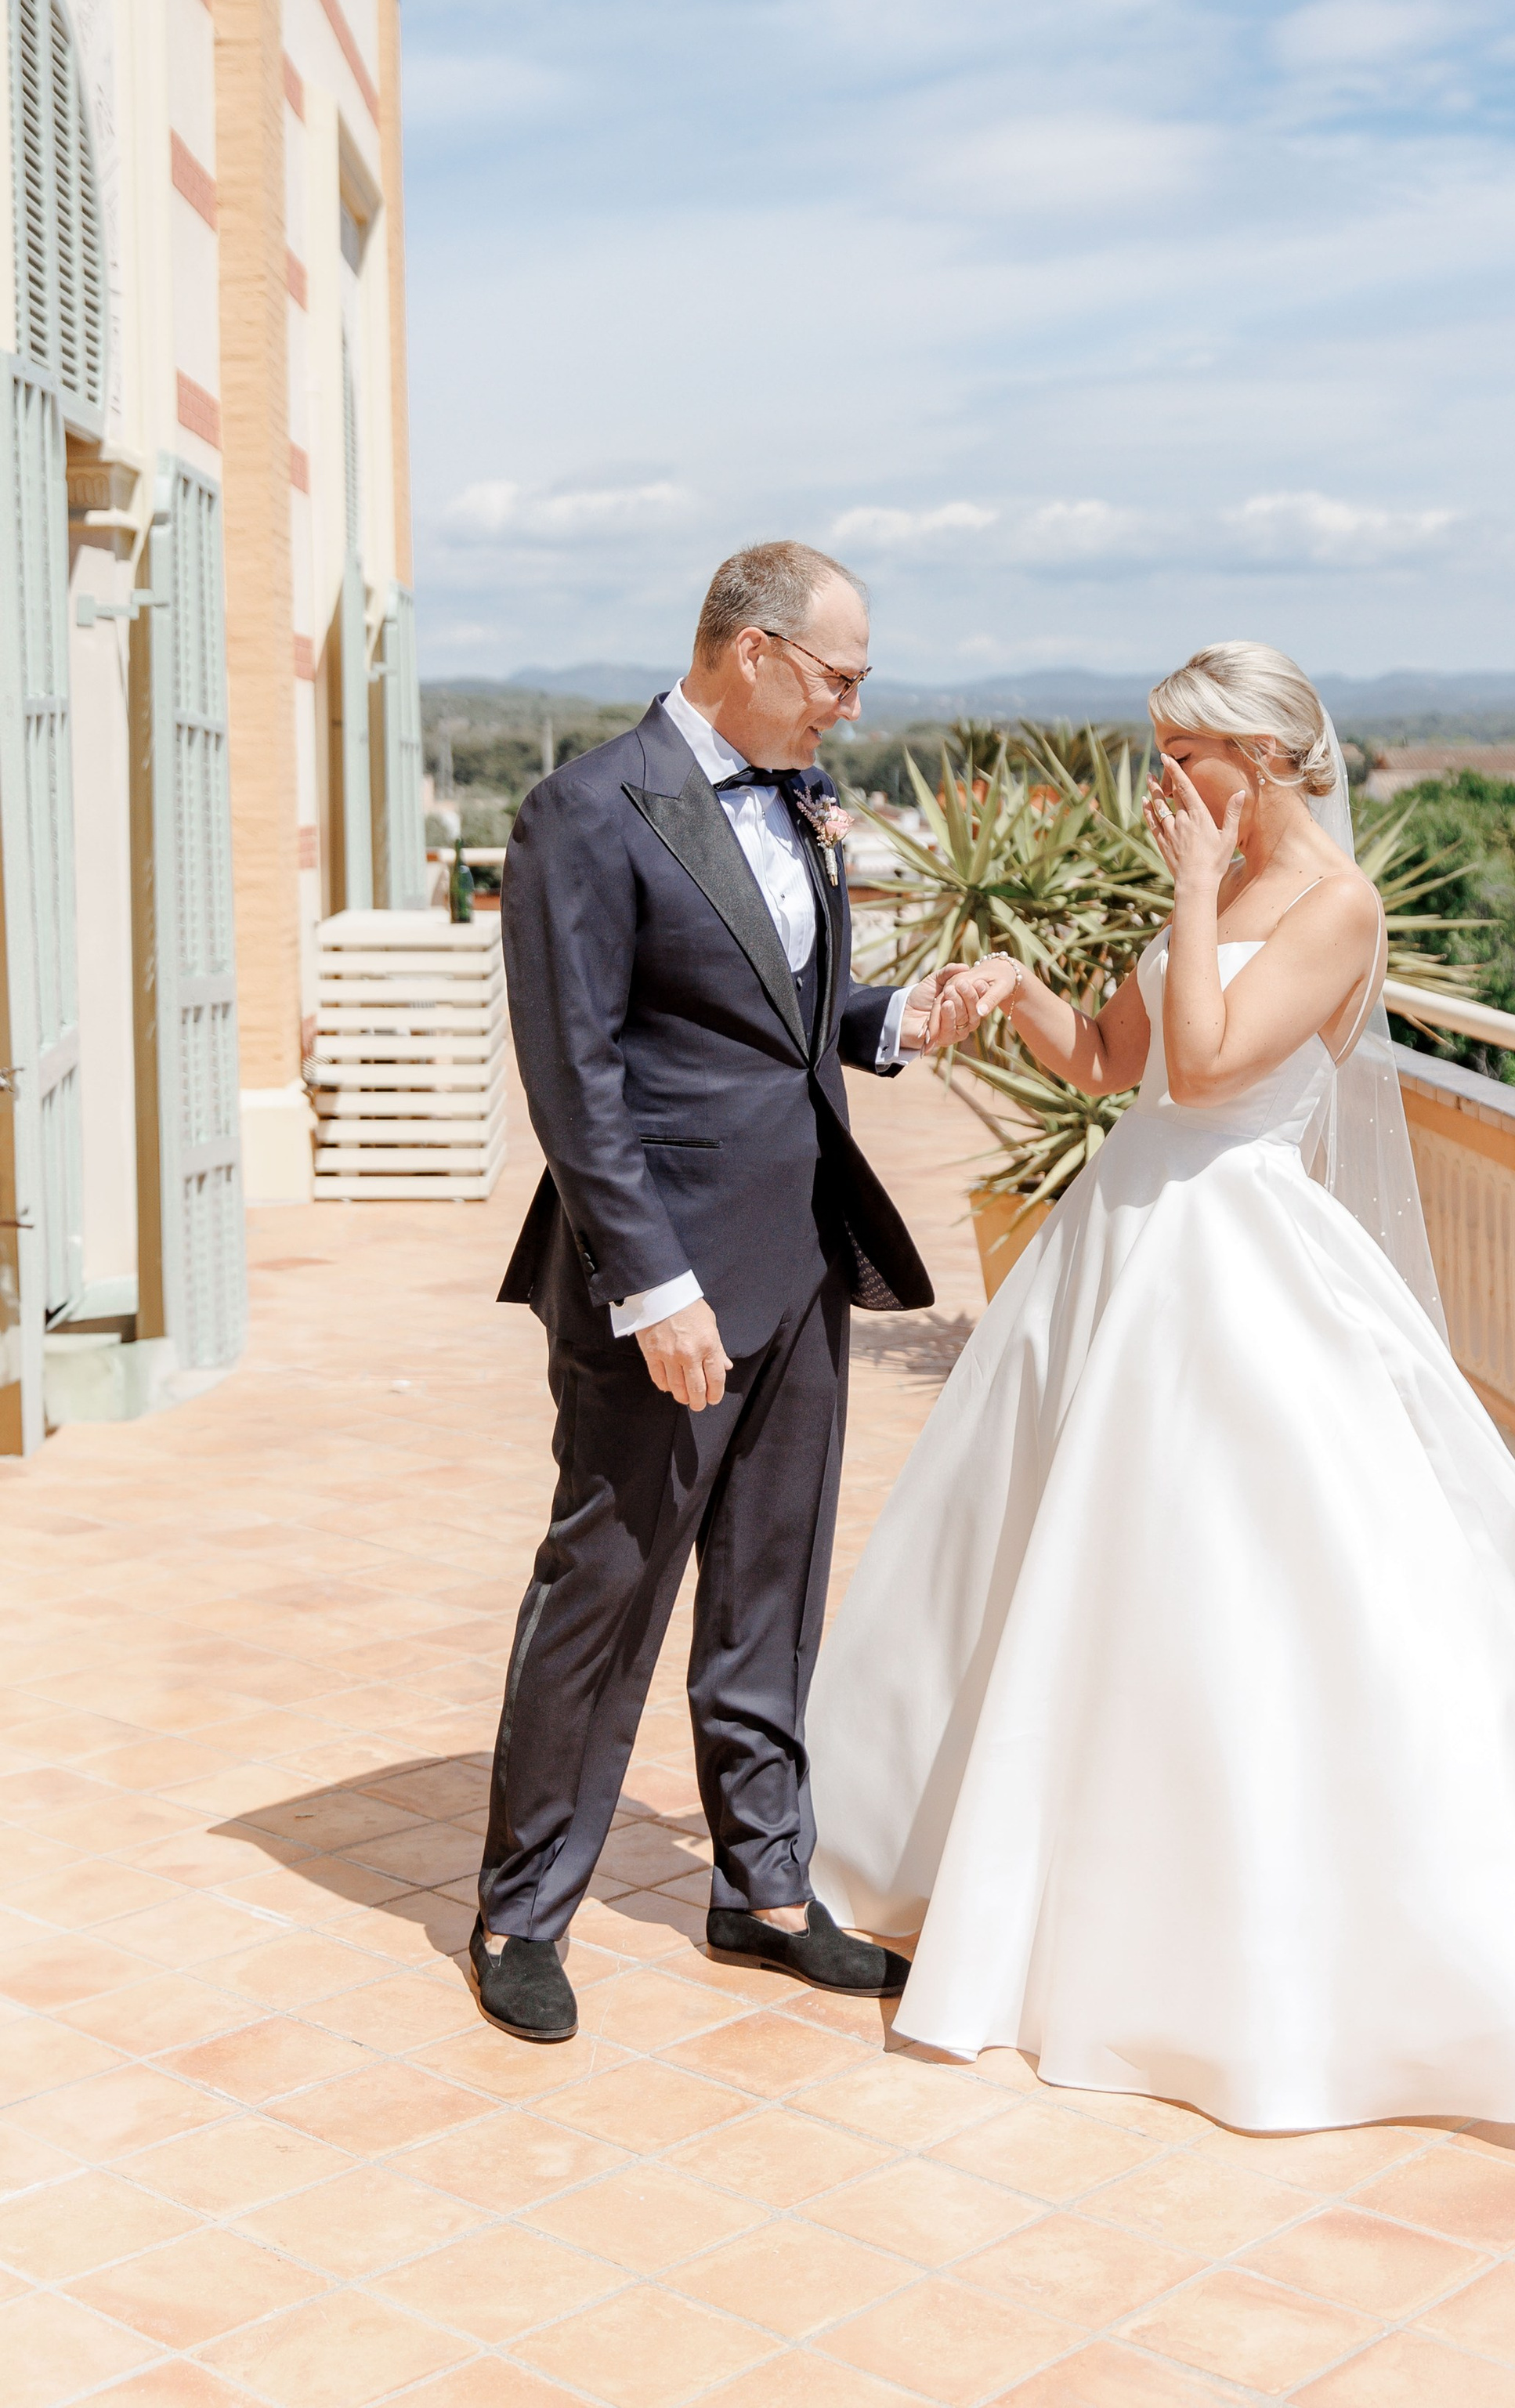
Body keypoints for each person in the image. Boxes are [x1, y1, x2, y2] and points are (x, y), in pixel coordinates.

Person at [806, 639, 1515, 2131]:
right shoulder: (1201, 881)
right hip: (1121, 1241)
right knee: (1054, 1565)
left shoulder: (1337, 908)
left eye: (1185, 752)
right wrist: (1023, 983)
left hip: (1239, 1254)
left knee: (1265, 1579)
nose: (1162, 780)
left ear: (1265, 763)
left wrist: (1197, 889)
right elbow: (1114, 1062)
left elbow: (1214, 1077)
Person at [471, 541, 985, 2041]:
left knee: (775, 1594)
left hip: (802, 1262)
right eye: (842, 675)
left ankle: (762, 1887)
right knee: (607, 1591)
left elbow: (774, 1022)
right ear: (751, 651)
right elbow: (577, 1079)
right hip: (669, 1293)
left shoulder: (802, 809)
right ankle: (521, 1908)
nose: (850, 708)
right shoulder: (585, 812)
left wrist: (892, 1022)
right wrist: (652, 1285)